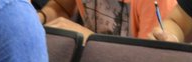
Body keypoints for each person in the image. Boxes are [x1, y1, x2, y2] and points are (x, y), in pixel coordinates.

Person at [38, 0, 178, 40]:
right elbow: (61, 6)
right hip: (92, 61)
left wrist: (89, 38)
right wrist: (39, 17)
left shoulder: (157, 2)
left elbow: (149, 61)